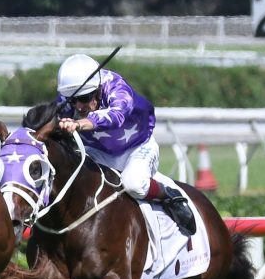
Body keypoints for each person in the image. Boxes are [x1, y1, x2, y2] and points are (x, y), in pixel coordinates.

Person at [53, 53, 196, 235]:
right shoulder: (69, 96)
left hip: (137, 147)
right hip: (99, 151)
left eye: (85, 98)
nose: (79, 106)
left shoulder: (117, 87)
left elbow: (117, 115)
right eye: (73, 100)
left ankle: (168, 195)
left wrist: (79, 124)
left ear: (98, 87)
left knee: (133, 184)